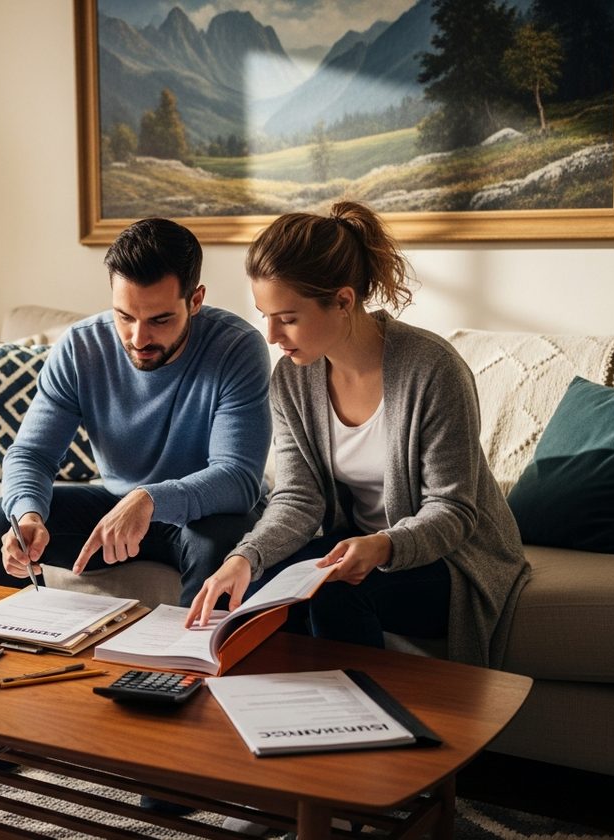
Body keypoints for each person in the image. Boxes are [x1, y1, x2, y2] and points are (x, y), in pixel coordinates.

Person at [185, 201, 529, 669]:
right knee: (254, 594)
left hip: (453, 559)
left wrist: (383, 545)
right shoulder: (291, 379)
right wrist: (245, 557)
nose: (271, 335)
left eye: (287, 317)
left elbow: (452, 511)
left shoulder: (432, 370)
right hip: (358, 546)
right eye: (265, 315)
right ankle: (268, 722)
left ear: (344, 301)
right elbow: (297, 498)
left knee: (334, 597)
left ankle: (366, 732)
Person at [0, 217, 272, 608]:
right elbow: (33, 454)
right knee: (0, 521)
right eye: (125, 316)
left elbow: (238, 479)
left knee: (220, 541)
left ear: (195, 300)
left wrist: (149, 499)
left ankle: (188, 666)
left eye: (160, 320)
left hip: (205, 516)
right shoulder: (80, 348)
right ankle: (21, 644)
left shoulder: (236, 348)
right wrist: (28, 515)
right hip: (117, 506)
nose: (138, 339)